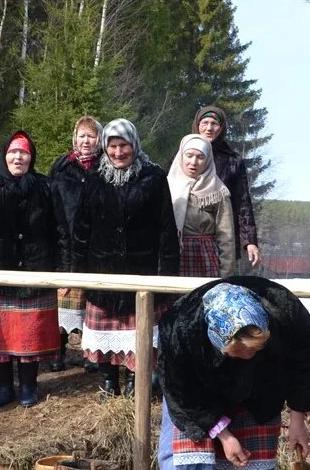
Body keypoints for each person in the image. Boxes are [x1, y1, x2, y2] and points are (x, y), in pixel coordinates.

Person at [156, 277, 310, 470]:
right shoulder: (180, 328)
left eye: (254, 350)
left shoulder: (286, 314)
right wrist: (222, 433)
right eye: (240, 351)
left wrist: (298, 419)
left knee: (258, 444)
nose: (247, 357)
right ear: (219, 340)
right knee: (187, 450)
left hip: (262, 384)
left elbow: (305, 365)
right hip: (198, 390)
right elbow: (182, 391)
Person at [70, 118, 179, 396]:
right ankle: (109, 381)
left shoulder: (153, 177)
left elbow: (166, 229)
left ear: (135, 145)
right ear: (105, 147)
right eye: (113, 146)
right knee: (105, 329)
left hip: (141, 269)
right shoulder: (94, 177)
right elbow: (82, 227)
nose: (119, 152)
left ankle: (134, 381)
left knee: (138, 331)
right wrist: (76, 270)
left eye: (124, 146)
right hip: (101, 269)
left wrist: (166, 276)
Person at [0, 131, 59, 408]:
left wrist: (61, 268)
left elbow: (57, 230)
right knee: (0, 331)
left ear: (32, 157)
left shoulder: (45, 187)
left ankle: (29, 386)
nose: (18, 157)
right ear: (4, 155)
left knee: (30, 331)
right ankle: (5, 387)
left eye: (24, 152)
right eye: (13, 152)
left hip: (36, 268)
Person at [49, 115, 102, 372]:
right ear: (75, 137)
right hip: (64, 239)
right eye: (82, 135)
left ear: (98, 139)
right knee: (64, 298)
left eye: (91, 136)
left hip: (95, 242)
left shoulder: (104, 167)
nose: (86, 140)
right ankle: (57, 353)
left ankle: (89, 353)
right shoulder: (61, 167)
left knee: (90, 301)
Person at [193, 105, 260, 270]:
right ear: (197, 125)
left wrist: (250, 241)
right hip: (189, 235)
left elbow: (243, 202)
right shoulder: (184, 155)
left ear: (221, 128)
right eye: (205, 123)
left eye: (214, 124)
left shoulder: (233, 161)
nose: (209, 128)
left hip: (223, 234)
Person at [167, 134, 235, 278]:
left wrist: (226, 273)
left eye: (200, 157)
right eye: (189, 155)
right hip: (173, 255)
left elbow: (226, 235)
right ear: (181, 156)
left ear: (208, 160)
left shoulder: (217, 191)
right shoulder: (166, 186)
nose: (194, 162)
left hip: (205, 257)